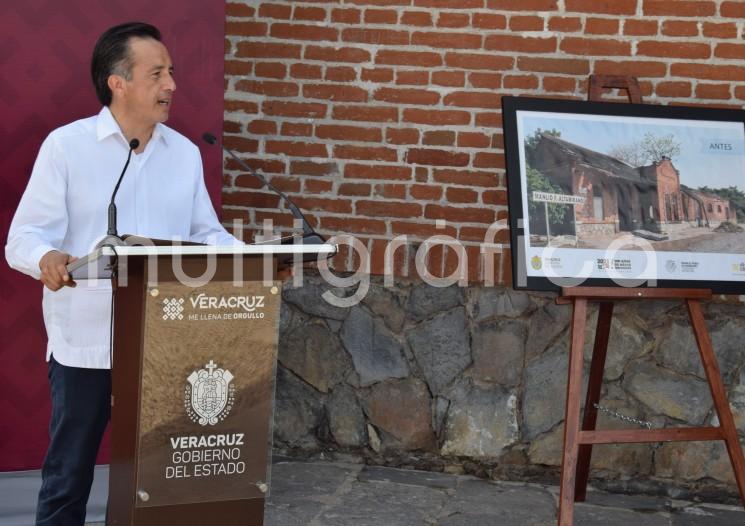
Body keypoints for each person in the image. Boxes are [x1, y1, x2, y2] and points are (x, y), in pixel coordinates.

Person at [4, 22, 238, 525]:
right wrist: (45, 259)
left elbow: (208, 235)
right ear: (118, 82)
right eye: (157, 74)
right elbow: (23, 237)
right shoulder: (67, 147)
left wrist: (256, 259)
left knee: (164, 475)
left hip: (166, 339)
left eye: (172, 72)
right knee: (69, 476)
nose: (172, 85)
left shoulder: (185, 154)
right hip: (86, 340)